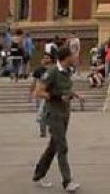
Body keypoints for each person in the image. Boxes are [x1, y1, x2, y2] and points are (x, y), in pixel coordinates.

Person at [32, 46, 82, 192]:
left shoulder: (67, 72)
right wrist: (57, 97)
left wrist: (75, 95)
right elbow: (39, 92)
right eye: (73, 56)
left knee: (53, 146)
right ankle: (67, 181)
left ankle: (38, 174)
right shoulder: (52, 72)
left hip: (65, 113)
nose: (75, 58)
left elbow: (65, 89)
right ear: (66, 58)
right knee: (62, 147)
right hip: (54, 114)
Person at [31, 53, 54, 138]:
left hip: (49, 94)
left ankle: (51, 129)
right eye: (44, 58)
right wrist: (32, 92)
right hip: (40, 94)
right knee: (41, 112)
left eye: (47, 58)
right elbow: (34, 82)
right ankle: (43, 130)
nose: (45, 60)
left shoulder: (53, 70)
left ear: (51, 59)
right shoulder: (38, 70)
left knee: (50, 112)